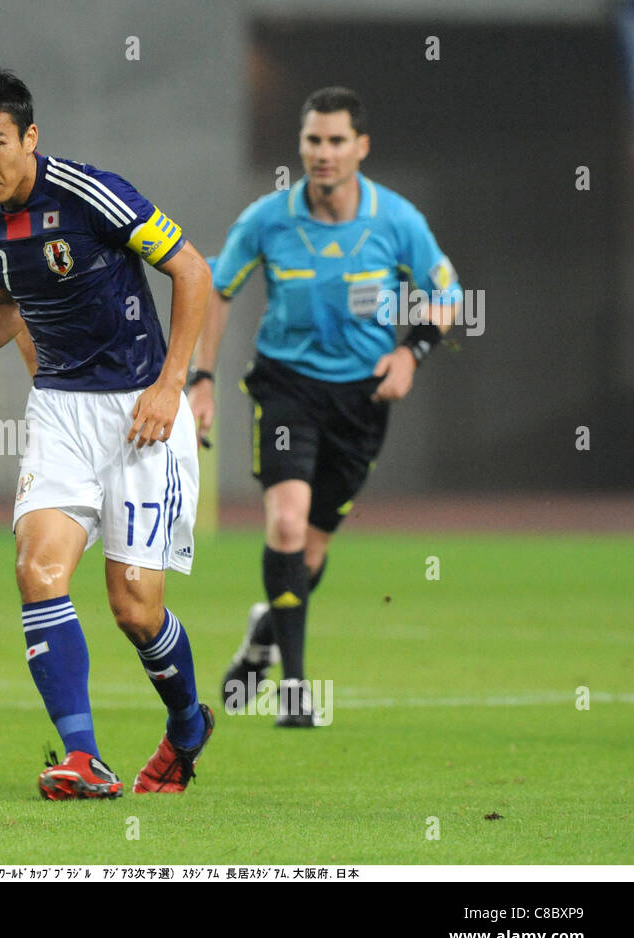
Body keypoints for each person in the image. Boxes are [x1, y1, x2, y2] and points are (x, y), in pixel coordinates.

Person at [0, 68, 215, 799]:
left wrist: (172, 385)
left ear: (30, 137)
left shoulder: (91, 193)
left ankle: (185, 726)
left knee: (133, 607)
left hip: (142, 412)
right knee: (37, 571)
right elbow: (11, 304)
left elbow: (192, 270)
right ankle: (85, 757)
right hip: (60, 413)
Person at [192, 87, 462, 726]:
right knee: (286, 523)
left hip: (361, 402)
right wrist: (201, 376)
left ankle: (264, 632)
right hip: (286, 388)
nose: (323, 152)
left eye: (337, 140)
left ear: (361, 147)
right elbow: (215, 287)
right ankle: (296, 691)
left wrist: (411, 353)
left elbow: (448, 296)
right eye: (313, 139)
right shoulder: (267, 218)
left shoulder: (396, 220)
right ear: (302, 144)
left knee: (309, 552)